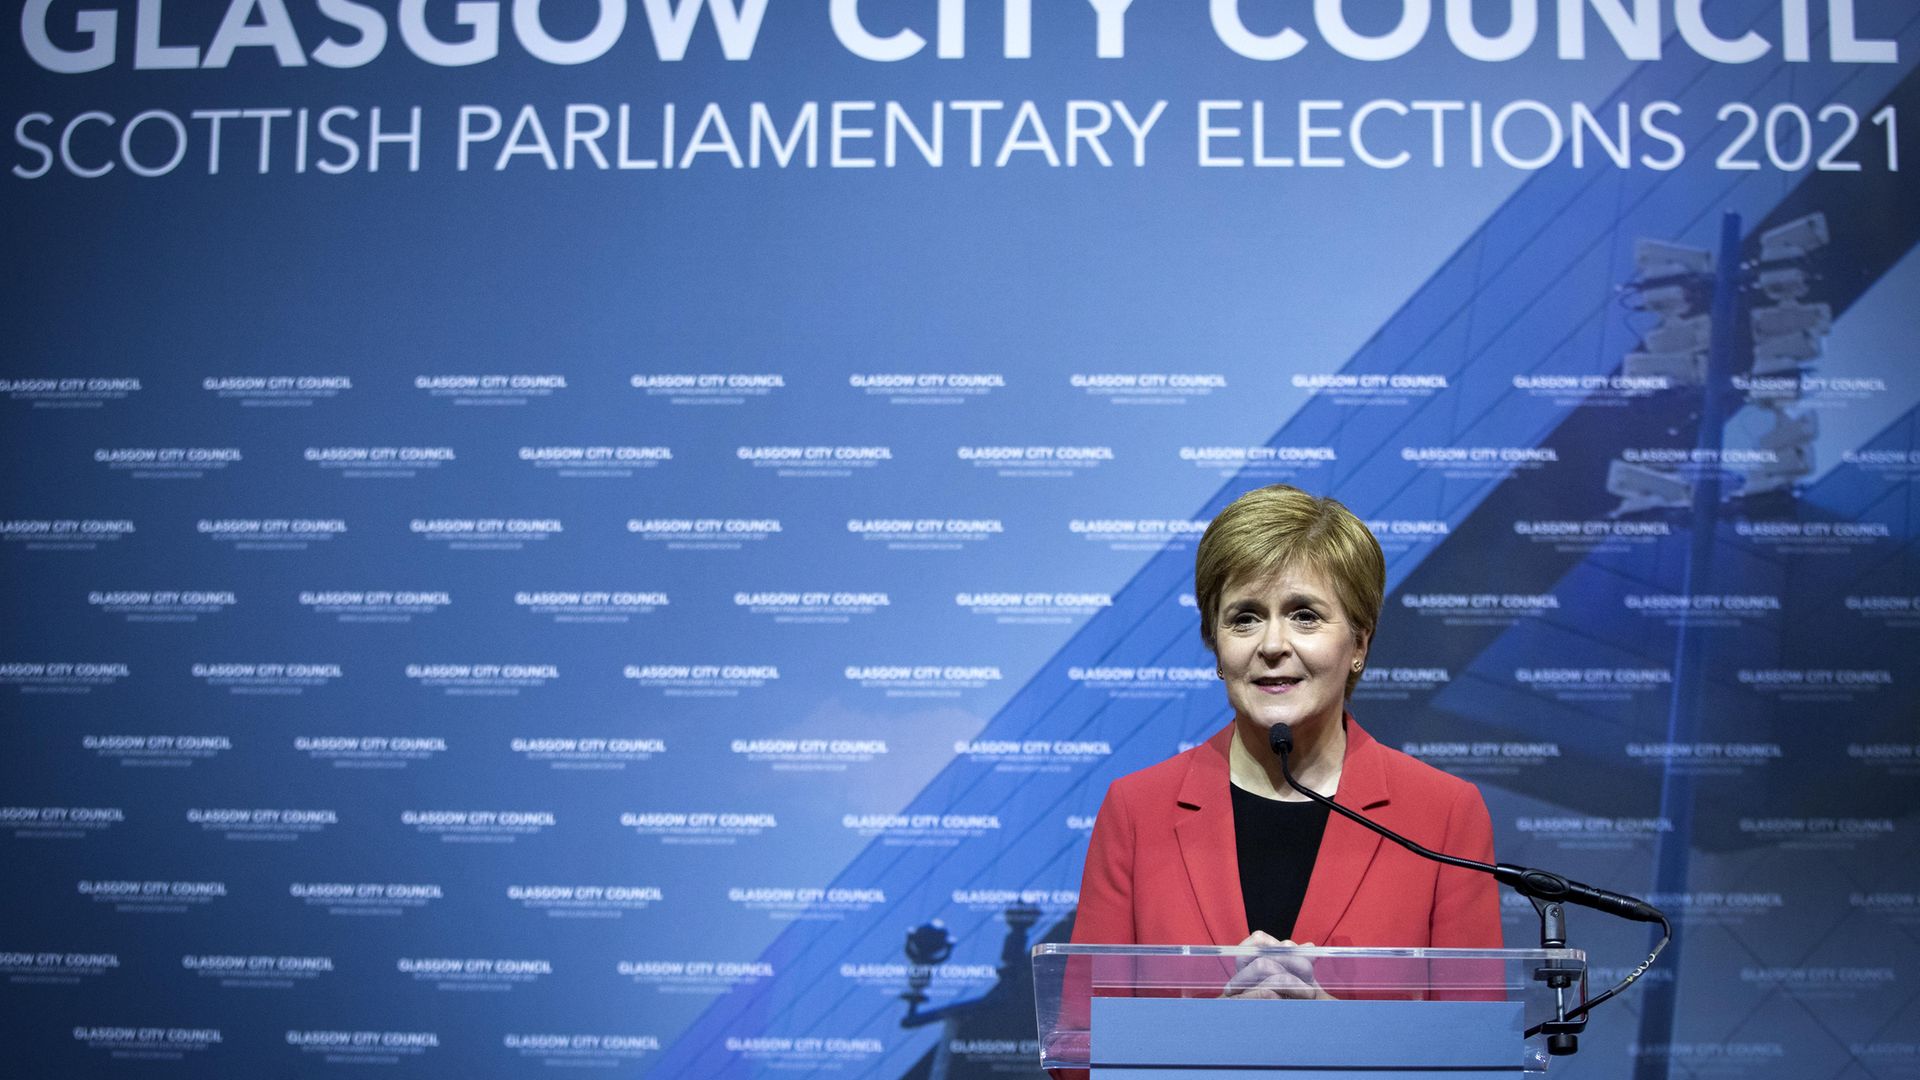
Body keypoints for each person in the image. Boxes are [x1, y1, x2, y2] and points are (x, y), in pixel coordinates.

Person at [1071, 484, 1501, 968]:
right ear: (1215, 643)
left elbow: (1472, 1036)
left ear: (1359, 643)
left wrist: (1324, 1028)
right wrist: (1219, 1020)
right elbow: (1088, 1034)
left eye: (1304, 615)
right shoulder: (1135, 813)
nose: (1273, 644)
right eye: (1245, 618)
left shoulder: (1443, 816)